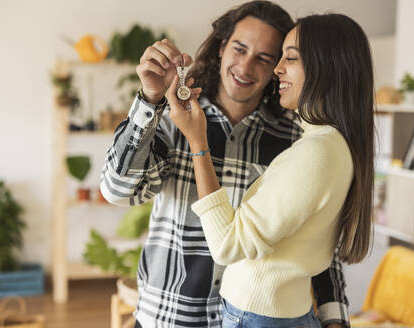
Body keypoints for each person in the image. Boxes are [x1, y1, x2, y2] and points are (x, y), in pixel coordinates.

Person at [101, 2, 350, 327]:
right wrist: (150, 100)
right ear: (222, 47)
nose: (246, 67)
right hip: (167, 320)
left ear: (279, 67)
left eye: (264, 57)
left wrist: (335, 317)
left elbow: (314, 240)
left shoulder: (294, 139)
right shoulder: (174, 117)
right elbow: (118, 191)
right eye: (240, 49)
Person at [167, 13, 375, 328]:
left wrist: (197, 140)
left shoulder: (316, 153)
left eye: (289, 59)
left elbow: (227, 245)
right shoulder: (326, 145)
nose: (277, 70)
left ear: (326, 70)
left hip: (259, 317)